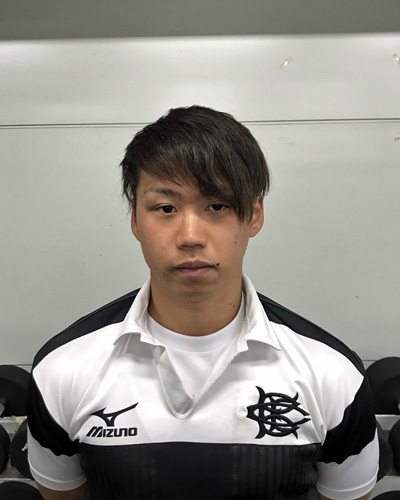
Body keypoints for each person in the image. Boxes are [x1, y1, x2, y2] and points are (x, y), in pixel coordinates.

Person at [27, 105, 379, 500]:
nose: (190, 236)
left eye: (217, 206)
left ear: (254, 215)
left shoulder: (333, 373)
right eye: (166, 208)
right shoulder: (61, 369)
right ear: (135, 220)